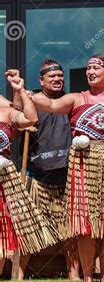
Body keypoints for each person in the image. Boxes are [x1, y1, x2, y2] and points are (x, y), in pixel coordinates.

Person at [31, 54, 104, 282]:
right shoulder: (76, 99)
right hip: (83, 164)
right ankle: (88, 277)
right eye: (88, 68)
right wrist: (22, 91)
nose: (90, 72)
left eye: (96, 68)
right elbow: (49, 104)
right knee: (84, 225)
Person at [15, 60, 80, 281]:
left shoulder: (70, 102)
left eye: (60, 76)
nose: (57, 79)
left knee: (69, 229)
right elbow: (17, 112)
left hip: (65, 175)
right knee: (28, 225)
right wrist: (18, 90)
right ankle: (18, 275)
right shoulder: (31, 100)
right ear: (41, 80)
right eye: (51, 76)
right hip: (36, 175)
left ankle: (74, 275)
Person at [0, 75, 58, 258]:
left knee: (2, 230)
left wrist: (20, 91)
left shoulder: (6, 112)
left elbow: (31, 118)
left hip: (3, 180)